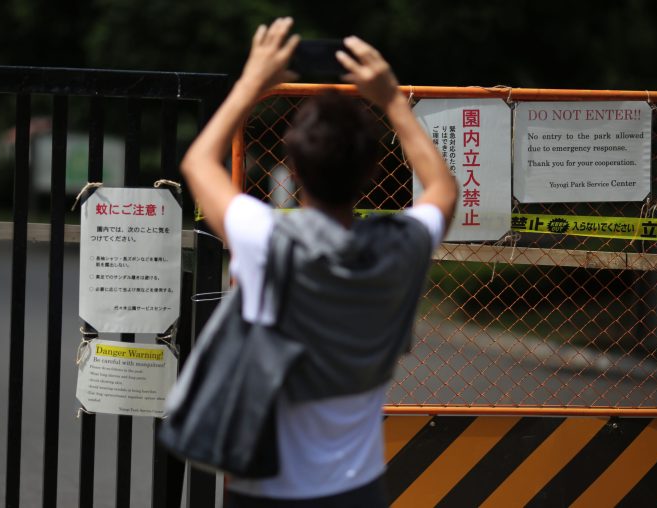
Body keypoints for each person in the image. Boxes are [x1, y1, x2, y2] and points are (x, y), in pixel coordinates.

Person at [179, 17, 457, 508]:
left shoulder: (268, 240)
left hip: (266, 488)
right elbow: (442, 189)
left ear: (295, 164)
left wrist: (250, 84)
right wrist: (392, 99)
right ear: (373, 171)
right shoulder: (399, 248)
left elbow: (198, 163)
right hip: (358, 488)